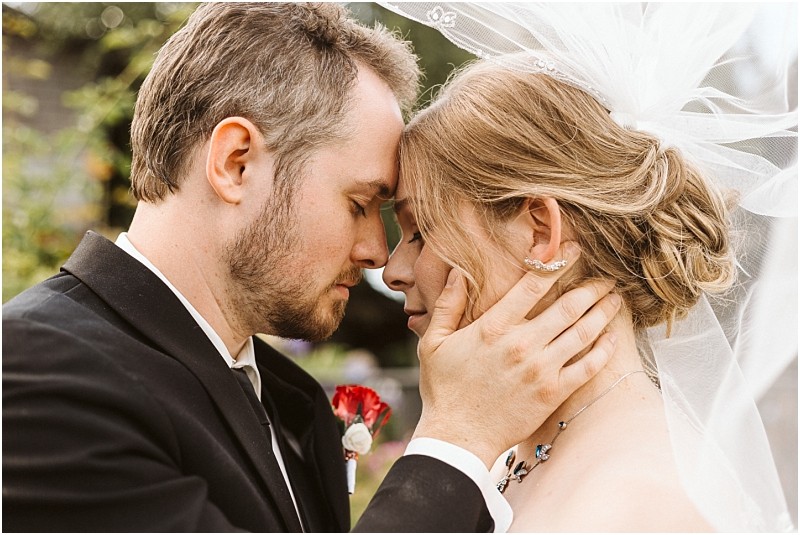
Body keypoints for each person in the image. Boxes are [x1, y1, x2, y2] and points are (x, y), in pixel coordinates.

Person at [1, 3, 622, 532]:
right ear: (236, 163)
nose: (379, 253)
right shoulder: (35, 376)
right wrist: (455, 441)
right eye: (359, 205)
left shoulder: (285, 397)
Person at [381, 3, 796, 531]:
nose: (394, 269)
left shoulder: (635, 503)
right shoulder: (521, 454)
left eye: (420, 230)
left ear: (540, 231)